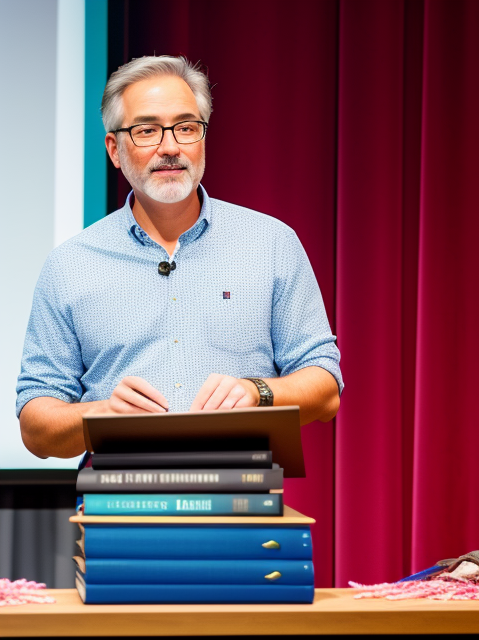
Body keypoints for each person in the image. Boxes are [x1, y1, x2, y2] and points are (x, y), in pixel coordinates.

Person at [17, 56, 343, 460]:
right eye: (147, 130)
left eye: (186, 128)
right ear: (114, 149)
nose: (170, 147)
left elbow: (326, 388)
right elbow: (35, 426)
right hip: (117, 504)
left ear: (203, 139)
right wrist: (102, 415)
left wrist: (256, 390)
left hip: (244, 499)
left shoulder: (271, 244)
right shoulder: (69, 265)